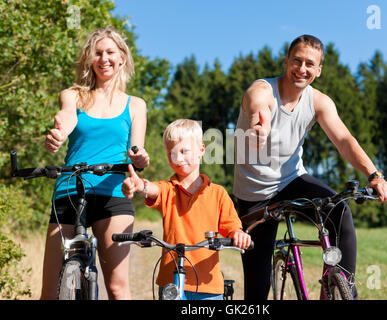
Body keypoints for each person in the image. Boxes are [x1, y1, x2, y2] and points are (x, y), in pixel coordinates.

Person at [233, 34, 387, 300]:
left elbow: (344, 140)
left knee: (340, 212)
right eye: (297, 61)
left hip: (292, 180)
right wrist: (257, 123)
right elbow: (256, 102)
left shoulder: (319, 101)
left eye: (310, 64)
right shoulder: (262, 90)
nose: (302, 69)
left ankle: (338, 291)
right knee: (257, 289)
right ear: (286, 61)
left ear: (318, 70)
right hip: (254, 192)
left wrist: (374, 175)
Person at [43, 27, 149, 300]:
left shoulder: (136, 105)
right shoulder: (73, 95)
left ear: (122, 57)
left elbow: (136, 150)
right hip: (70, 189)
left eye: (110, 52)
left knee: (117, 288)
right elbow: (67, 117)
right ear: (90, 59)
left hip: (112, 193)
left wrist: (139, 158)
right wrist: (59, 133)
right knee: (49, 293)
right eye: (98, 53)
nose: (104, 59)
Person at [122, 119, 251, 300]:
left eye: (184, 151)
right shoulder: (169, 189)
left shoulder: (218, 194)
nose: (178, 158)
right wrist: (141, 185)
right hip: (171, 283)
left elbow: (231, 225)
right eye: (171, 153)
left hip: (208, 286)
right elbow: (153, 189)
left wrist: (238, 234)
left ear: (201, 151)